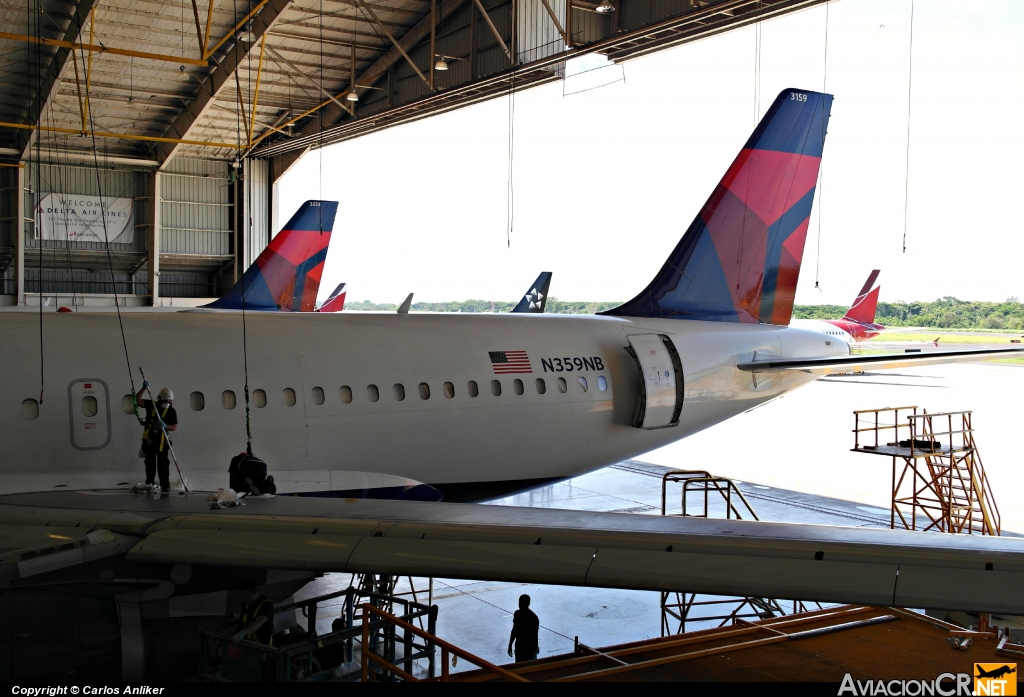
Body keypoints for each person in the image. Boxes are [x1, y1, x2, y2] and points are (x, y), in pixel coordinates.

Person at [233, 580, 276, 679]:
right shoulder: (246, 603)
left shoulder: (266, 605)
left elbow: (258, 623)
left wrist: (243, 633)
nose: (245, 599)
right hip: (248, 644)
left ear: (256, 593)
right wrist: (228, 632)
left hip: (262, 645)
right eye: (243, 597)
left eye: (247, 597)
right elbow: (242, 621)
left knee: (262, 672)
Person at [138, 388, 177, 492]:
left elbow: (173, 427)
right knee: (150, 464)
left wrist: (165, 426)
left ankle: (165, 486)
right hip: (149, 440)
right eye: (166, 400)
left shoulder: (171, 411)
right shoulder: (151, 405)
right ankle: (149, 484)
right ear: (160, 399)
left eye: (170, 401)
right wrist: (143, 389)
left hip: (162, 442)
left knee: (163, 464)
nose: (168, 403)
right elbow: (137, 401)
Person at [507, 594, 540, 663]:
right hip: (528, 648)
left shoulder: (518, 614)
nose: (519, 605)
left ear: (527, 604)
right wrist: (536, 648)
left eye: (521, 603)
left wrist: (510, 644)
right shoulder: (533, 617)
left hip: (522, 648)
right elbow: (535, 635)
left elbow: (514, 631)